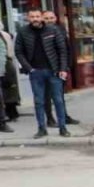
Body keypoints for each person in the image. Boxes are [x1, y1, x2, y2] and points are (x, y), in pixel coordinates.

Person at [16, 8, 70, 138]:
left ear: (41, 17)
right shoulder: (23, 32)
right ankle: (41, 128)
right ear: (28, 18)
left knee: (58, 100)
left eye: (37, 16)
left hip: (54, 71)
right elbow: (18, 51)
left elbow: (62, 50)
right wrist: (29, 68)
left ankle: (63, 128)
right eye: (32, 16)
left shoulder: (53, 30)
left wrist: (63, 69)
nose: (35, 19)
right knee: (39, 102)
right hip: (36, 72)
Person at [41, 11, 80, 127]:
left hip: (60, 68)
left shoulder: (60, 30)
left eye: (51, 18)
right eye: (46, 18)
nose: (49, 20)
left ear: (56, 18)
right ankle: (50, 119)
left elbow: (66, 48)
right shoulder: (40, 32)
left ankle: (64, 116)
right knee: (47, 95)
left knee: (59, 95)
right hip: (46, 68)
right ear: (42, 19)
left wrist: (67, 66)